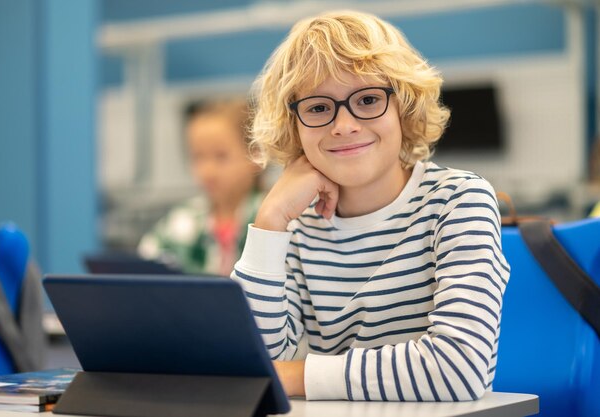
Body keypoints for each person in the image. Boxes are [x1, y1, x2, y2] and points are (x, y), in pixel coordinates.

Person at [231, 10, 510, 402]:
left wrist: (294, 377)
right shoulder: (295, 228)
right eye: (317, 107)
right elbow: (249, 364)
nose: (343, 124)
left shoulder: (459, 200)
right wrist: (270, 220)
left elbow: (458, 370)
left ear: (404, 108)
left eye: (367, 99)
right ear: (293, 125)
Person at [139, 99, 263, 276]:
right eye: (198, 157)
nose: (208, 171)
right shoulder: (180, 221)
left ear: (256, 155)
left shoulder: (271, 217)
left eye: (221, 156)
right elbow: (145, 268)